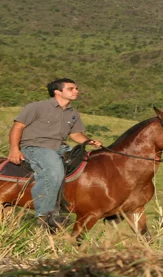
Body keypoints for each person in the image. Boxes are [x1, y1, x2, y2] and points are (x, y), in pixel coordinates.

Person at [7, 78, 104, 230]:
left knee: (88, 164)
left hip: (60, 147)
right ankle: (46, 215)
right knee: (54, 170)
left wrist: (90, 142)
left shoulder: (73, 113)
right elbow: (18, 127)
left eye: (76, 88)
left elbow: (76, 135)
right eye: (71, 89)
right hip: (35, 146)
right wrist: (14, 149)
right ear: (57, 92)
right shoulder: (37, 107)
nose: (76, 91)